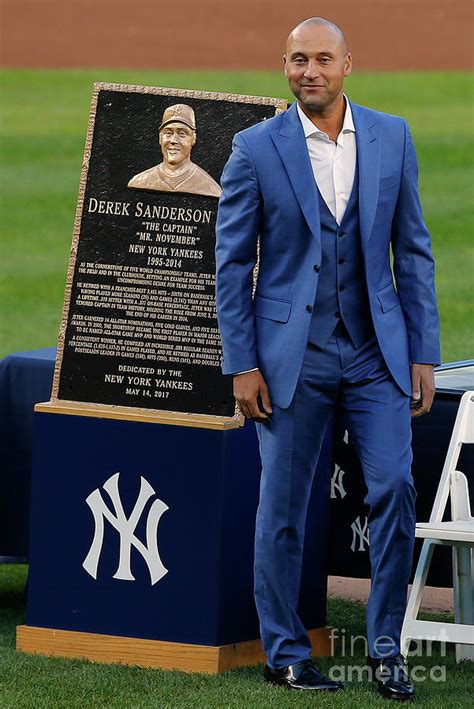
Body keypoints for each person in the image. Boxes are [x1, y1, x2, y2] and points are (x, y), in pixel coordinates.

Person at [215, 17, 440, 701]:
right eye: (295, 60)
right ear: (285, 67)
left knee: (396, 487)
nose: (307, 71)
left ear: (348, 64)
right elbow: (231, 265)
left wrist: (423, 352)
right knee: (281, 507)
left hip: (378, 355)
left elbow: (415, 251)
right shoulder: (253, 148)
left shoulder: (392, 136)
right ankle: (284, 652)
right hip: (291, 360)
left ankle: (382, 647)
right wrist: (242, 363)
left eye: (320, 59)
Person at [128, 104, 221, 197]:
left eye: (182, 134)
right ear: (160, 138)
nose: (173, 141)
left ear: (193, 139)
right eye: (168, 133)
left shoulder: (209, 187)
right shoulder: (140, 180)